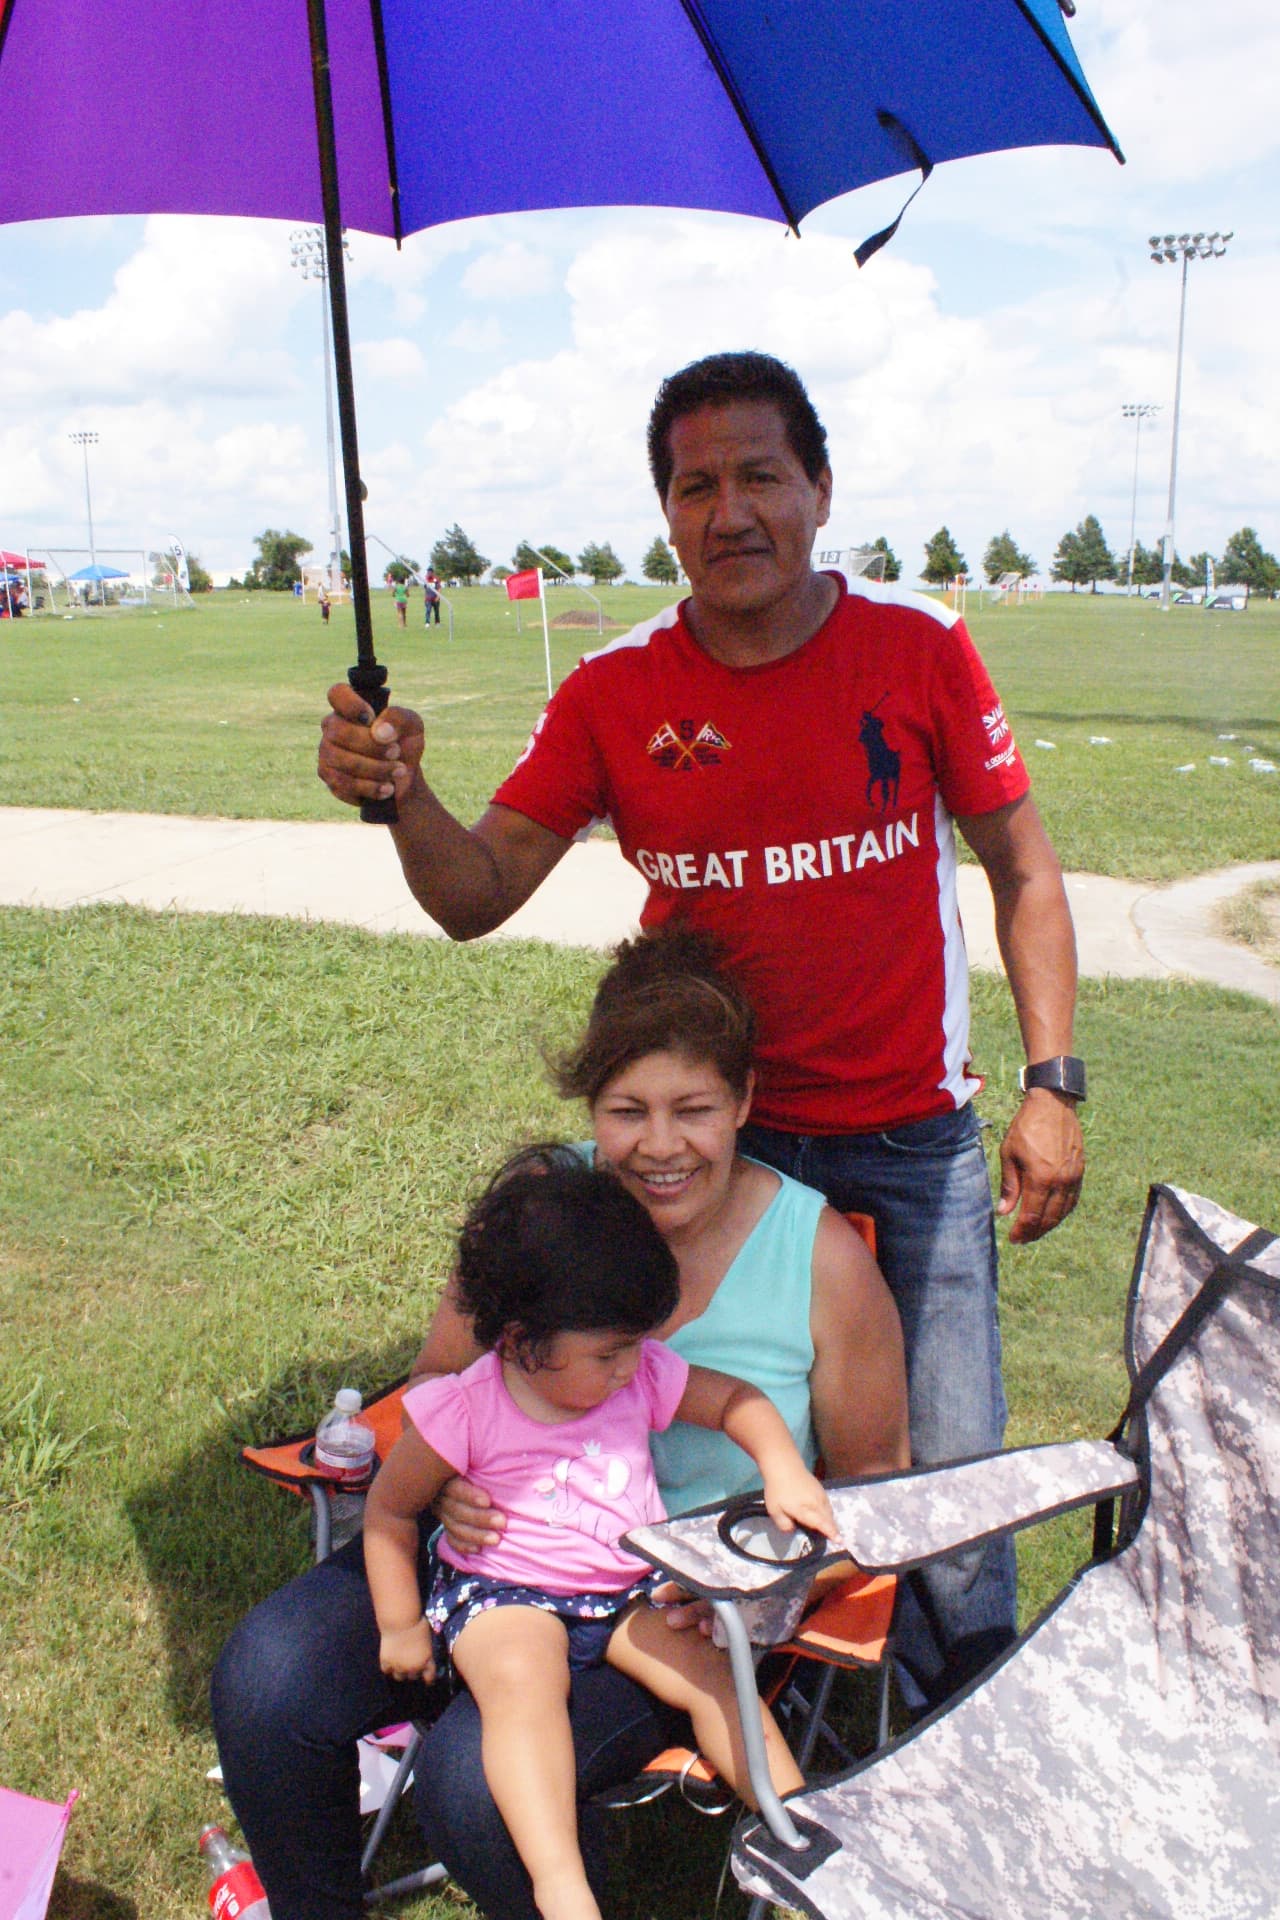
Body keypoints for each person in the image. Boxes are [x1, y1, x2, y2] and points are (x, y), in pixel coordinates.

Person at [317, 349, 1086, 1713]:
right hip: (701, 1141)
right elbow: (475, 892)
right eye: (695, 485)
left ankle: (962, 1705)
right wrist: (400, 796)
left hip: (910, 1136)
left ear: (820, 489)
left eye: (760, 476)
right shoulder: (619, 688)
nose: (730, 510)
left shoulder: (919, 643)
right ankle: (680, 1643)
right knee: (677, 1415)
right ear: (664, 514)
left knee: (941, 1464)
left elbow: (1023, 867)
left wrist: (1052, 1084)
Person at [211, 926, 908, 1920]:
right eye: (626, 1112)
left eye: (693, 1110)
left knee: (472, 1788)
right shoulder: (539, 1209)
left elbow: (879, 1484)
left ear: (745, 1103)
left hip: (662, 1602)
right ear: (591, 1108)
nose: (658, 1146)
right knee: (267, 1681)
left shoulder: (822, 1258)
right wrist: (442, 1482)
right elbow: (438, 1382)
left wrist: (757, 1585)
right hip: (479, 1561)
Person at [367, 1145, 837, 1920]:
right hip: (501, 1591)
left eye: (631, 1346)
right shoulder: (464, 1406)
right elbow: (389, 1511)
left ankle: (807, 1830)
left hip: (627, 1587)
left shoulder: (637, 1373)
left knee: (715, 1671)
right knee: (524, 1681)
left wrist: (784, 1467)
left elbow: (737, 1402)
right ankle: (560, 1882)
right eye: (607, 1353)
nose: (629, 1368)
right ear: (520, 1341)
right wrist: (398, 1623)